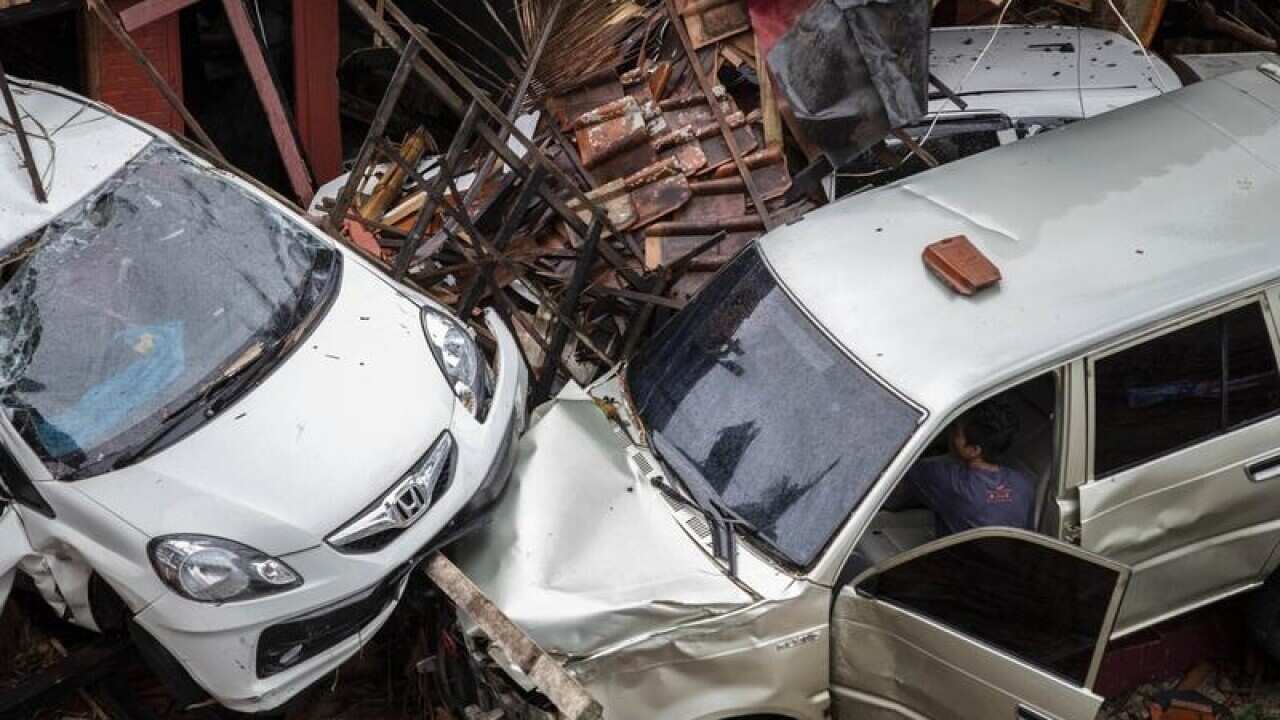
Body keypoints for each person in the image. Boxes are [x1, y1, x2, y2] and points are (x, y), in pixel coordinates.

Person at [893, 399, 1036, 537]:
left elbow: (899, 473)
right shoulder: (1023, 483)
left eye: (956, 432)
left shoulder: (945, 478)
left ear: (973, 450)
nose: (951, 434)